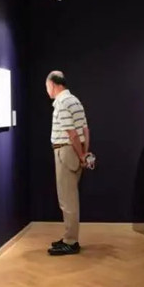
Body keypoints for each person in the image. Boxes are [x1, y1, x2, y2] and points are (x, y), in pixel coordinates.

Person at [45, 71, 91, 256]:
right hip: (74, 151)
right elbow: (85, 130)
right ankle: (68, 237)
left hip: (65, 151)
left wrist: (81, 155)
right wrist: (84, 153)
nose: (47, 90)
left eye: (47, 86)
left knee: (67, 199)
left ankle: (71, 241)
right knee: (69, 196)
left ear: (54, 85)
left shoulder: (62, 103)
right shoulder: (75, 101)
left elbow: (72, 134)